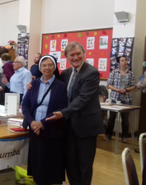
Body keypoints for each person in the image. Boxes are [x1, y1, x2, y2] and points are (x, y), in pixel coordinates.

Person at [46, 42, 104, 185]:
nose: (75, 57)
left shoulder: (91, 72)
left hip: (86, 126)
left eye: (78, 54)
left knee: (84, 164)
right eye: (72, 55)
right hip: (68, 126)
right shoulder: (65, 73)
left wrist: (63, 113)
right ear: (67, 57)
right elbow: (52, 85)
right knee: (70, 162)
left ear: (84, 54)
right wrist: (33, 84)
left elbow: (82, 98)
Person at [22, 55, 67, 185]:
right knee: (38, 164)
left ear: (54, 67)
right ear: (40, 67)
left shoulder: (61, 86)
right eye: (44, 65)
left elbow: (62, 107)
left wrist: (42, 122)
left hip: (52, 130)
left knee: (52, 164)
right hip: (35, 129)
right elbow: (25, 105)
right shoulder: (33, 84)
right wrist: (32, 123)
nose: (47, 68)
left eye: (50, 65)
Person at [104, 55, 135, 142]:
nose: (124, 62)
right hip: (115, 98)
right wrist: (117, 89)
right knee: (112, 118)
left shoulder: (130, 73)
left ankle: (124, 137)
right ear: (118, 63)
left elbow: (133, 86)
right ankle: (108, 135)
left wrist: (126, 89)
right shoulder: (114, 72)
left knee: (125, 119)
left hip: (126, 99)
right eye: (122, 60)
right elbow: (108, 85)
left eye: (125, 60)